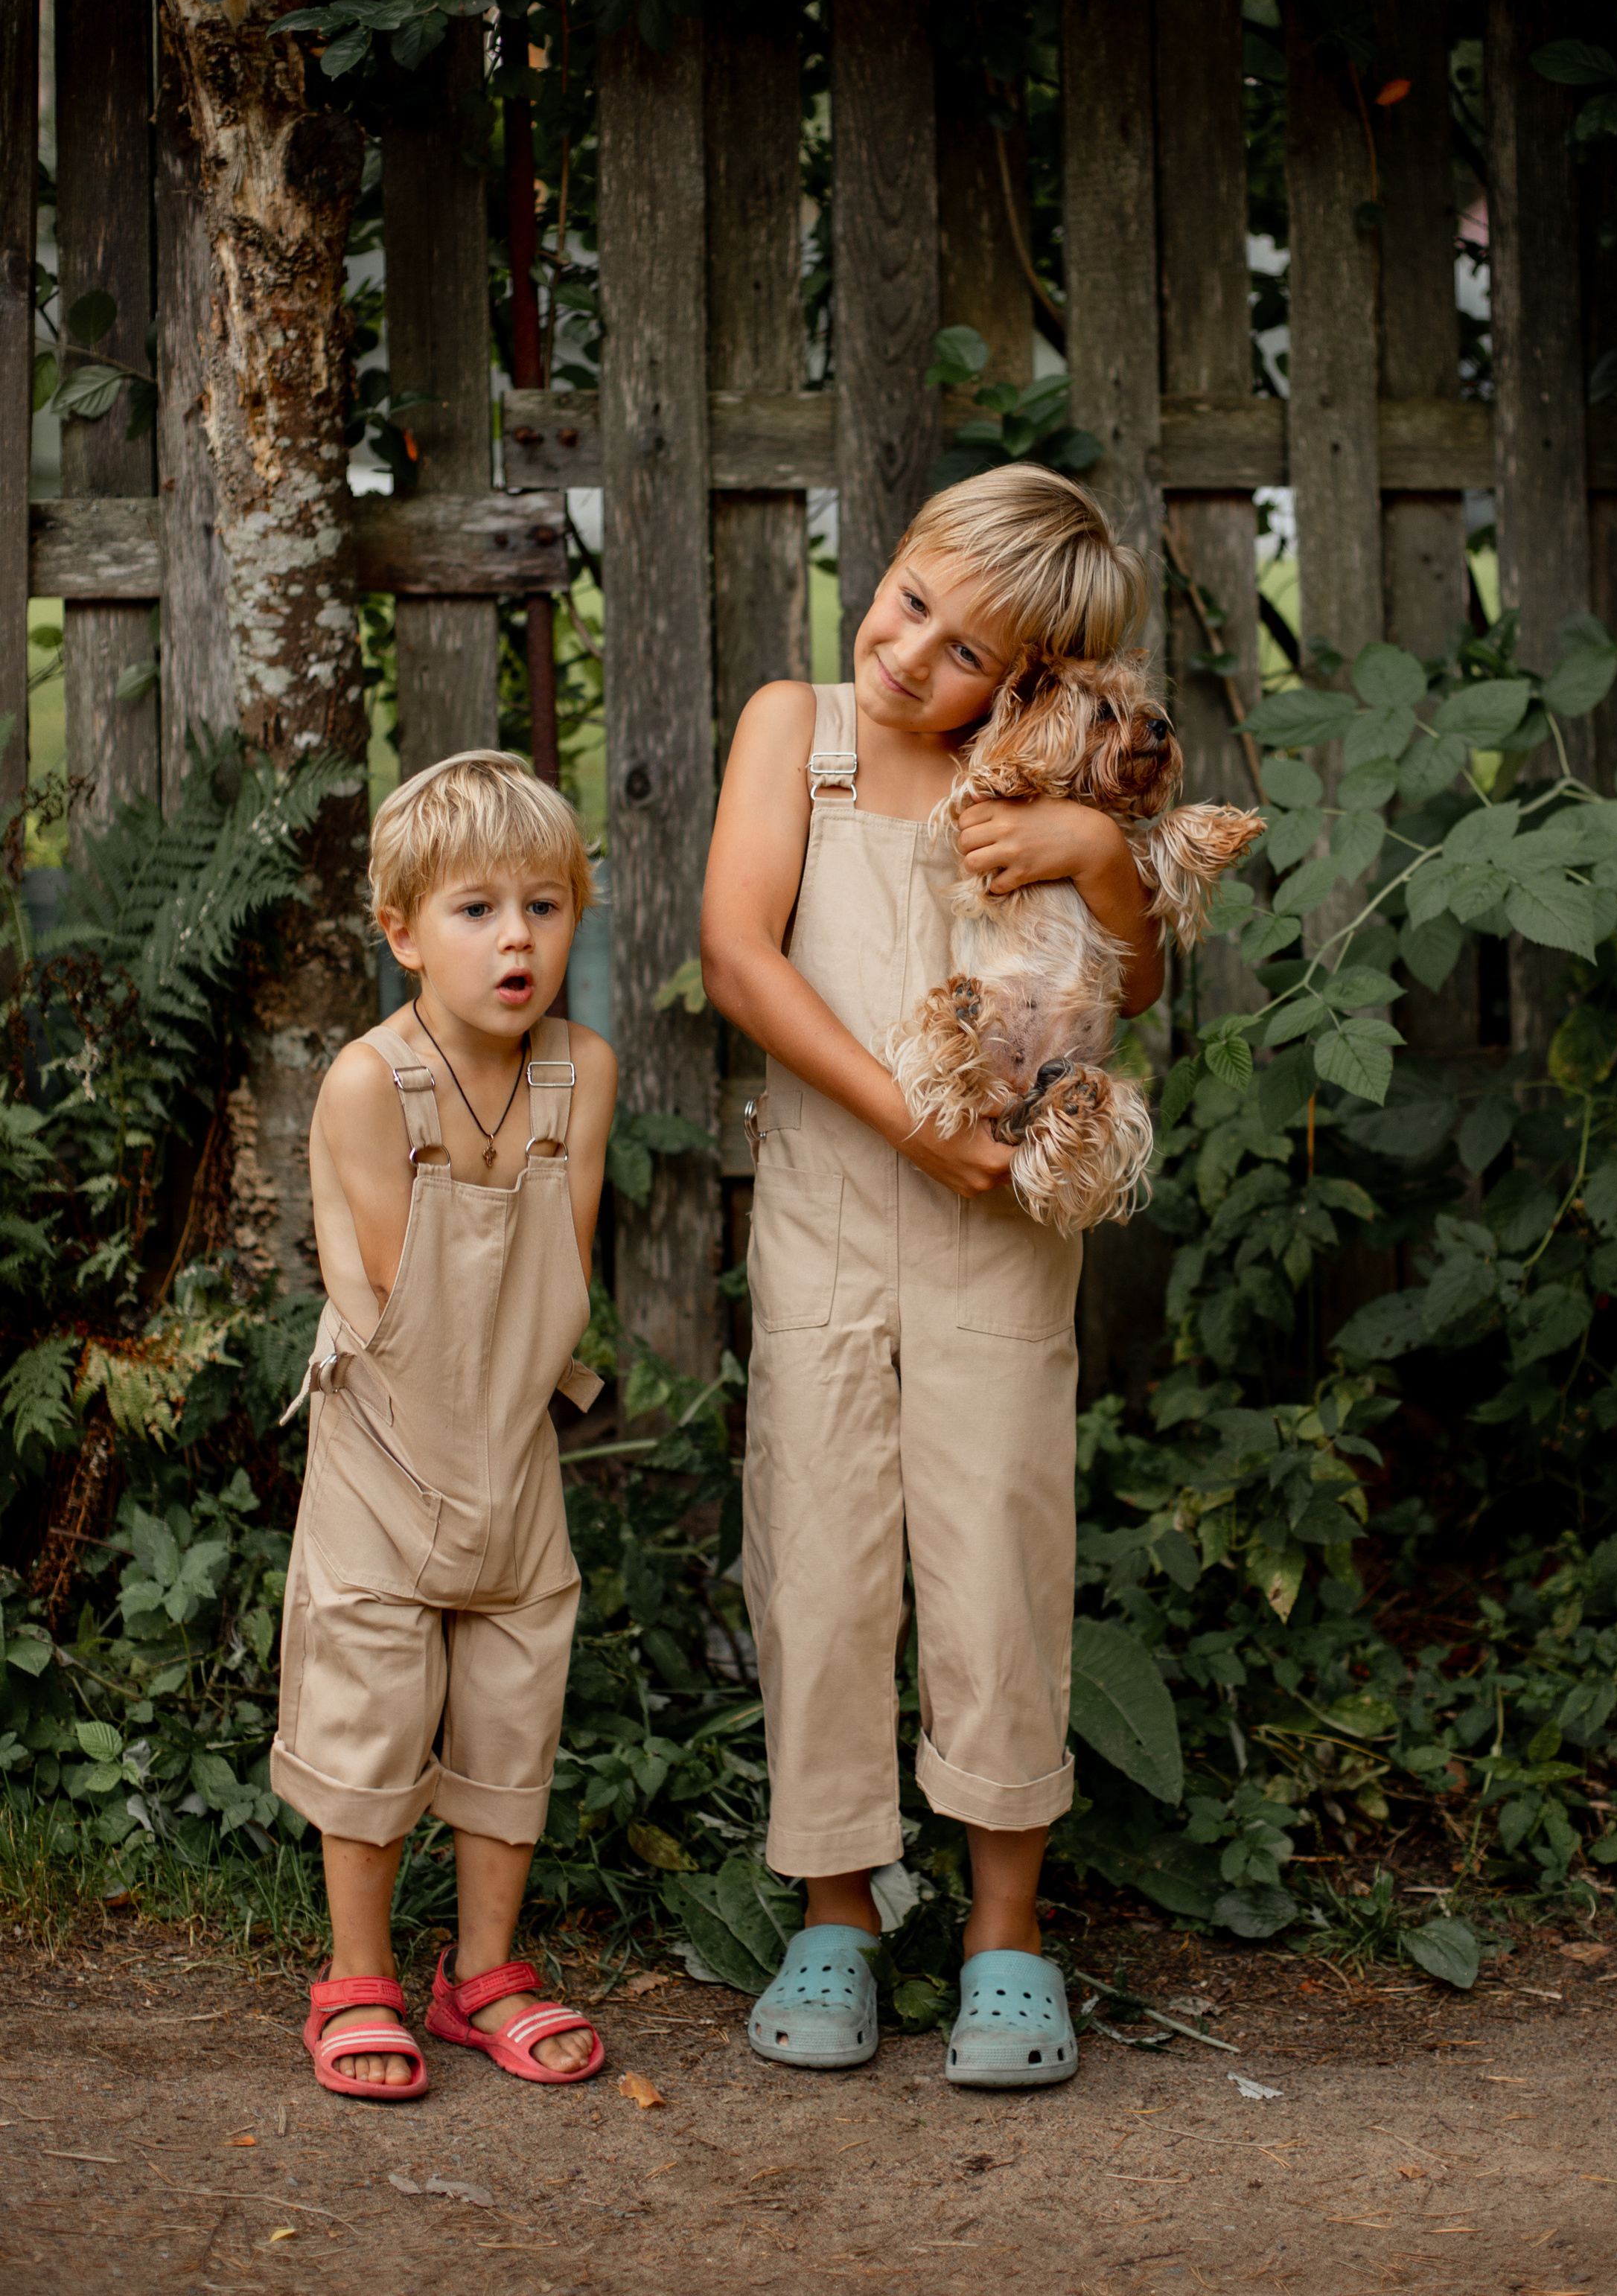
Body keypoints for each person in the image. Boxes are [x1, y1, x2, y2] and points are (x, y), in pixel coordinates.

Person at [700, 462, 1165, 2088]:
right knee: (819, 1551)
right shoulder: (797, 733)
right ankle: (834, 1906)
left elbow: (1133, 976)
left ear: (1029, 684)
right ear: (880, 565)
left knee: (996, 1552)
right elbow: (736, 955)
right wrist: (909, 1120)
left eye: (966, 651)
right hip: (834, 1207)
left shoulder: (1039, 786)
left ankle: (1002, 1932)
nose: (911, 655)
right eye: (908, 600)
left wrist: (1095, 857)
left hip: (997, 1237)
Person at [270, 750, 618, 2100]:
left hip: (512, 1444)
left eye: (545, 904)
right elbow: (415, 1311)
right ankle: (356, 1974)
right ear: (404, 932)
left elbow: (553, 1281)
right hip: (391, 1445)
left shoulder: (577, 1074)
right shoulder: (373, 1084)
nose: (516, 937)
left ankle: (481, 1977)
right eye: (475, 910)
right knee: (373, 1700)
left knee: (511, 1707)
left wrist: (512, 1440)